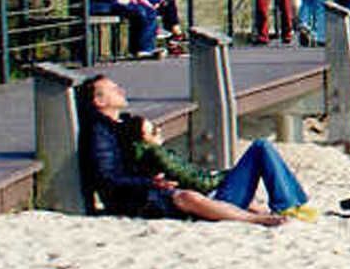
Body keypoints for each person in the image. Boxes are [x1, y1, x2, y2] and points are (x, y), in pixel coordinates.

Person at [75, 74, 299, 224]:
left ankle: (289, 205)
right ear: (99, 101)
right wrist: (150, 182)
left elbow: (148, 160)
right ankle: (258, 219)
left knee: (261, 147)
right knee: (188, 196)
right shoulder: (99, 133)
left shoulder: (123, 124)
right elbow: (106, 177)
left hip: (157, 188)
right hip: (139, 197)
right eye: (113, 90)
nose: (121, 91)